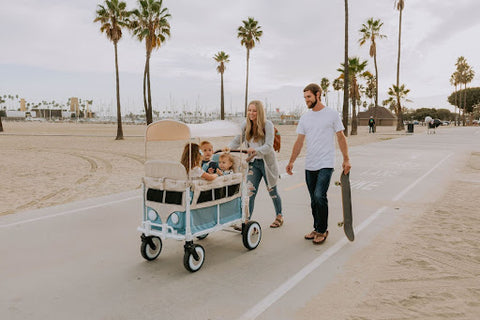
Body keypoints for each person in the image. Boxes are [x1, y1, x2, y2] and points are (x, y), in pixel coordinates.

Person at [286, 83, 351, 245]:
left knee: (319, 196)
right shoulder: (305, 117)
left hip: (326, 163)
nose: (306, 100)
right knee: (313, 200)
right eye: (305, 97)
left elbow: (341, 137)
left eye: (309, 97)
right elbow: (299, 141)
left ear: (318, 95)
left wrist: (346, 159)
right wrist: (291, 161)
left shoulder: (331, 114)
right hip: (310, 164)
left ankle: (322, 230)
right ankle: (316, 228)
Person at [227, 100, 283, 228]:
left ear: (260, 112)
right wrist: (227, 149)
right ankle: (246, 221)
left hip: (267, 164)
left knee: (272, 191)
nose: (251, 113)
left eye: (254, 110)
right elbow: (237, 141)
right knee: (249, 193)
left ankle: (279, 215)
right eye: (249, 110)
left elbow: (268, 146)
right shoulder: (245, 125)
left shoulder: (267, 124)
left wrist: (255, 150)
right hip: (253, 164)